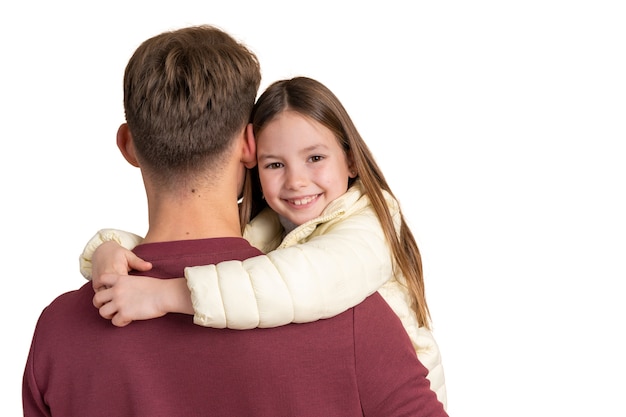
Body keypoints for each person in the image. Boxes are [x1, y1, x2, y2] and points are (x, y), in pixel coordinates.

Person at [22, 24, 448, 417]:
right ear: (250, 144)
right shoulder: (355, 317)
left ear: (128, 145)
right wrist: (107, 250)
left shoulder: (60, 333)